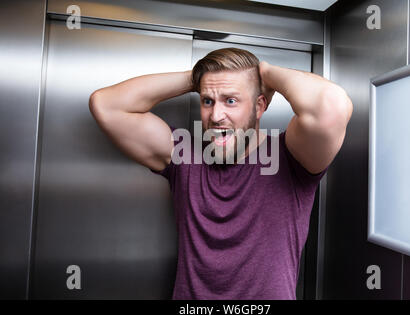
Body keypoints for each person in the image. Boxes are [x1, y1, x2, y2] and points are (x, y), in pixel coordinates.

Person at [89, 47, 353, 299]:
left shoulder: (291, 156)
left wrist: (265, 73)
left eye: (231, 100)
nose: (216, 115)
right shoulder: (185, 157)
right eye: (207, 101)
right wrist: (197, 78)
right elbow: (106, 105)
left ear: (260, 106)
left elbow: (331, 105)